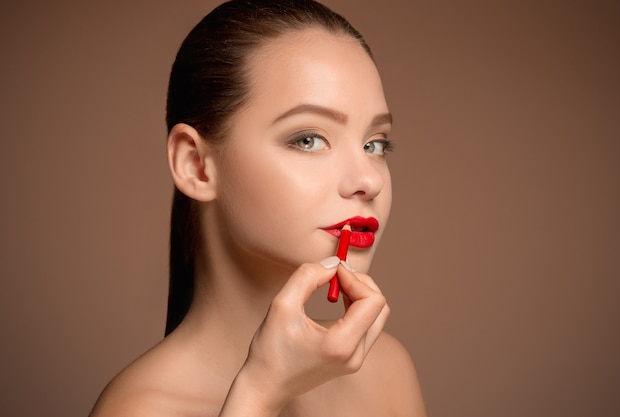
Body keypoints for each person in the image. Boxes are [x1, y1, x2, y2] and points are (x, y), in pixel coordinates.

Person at [89, 0, 427, 415]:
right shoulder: (141, 409)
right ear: (196, 165)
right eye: (308, 139)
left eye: (375, 144)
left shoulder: (384, 371)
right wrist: (258, 394)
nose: (370, 180)